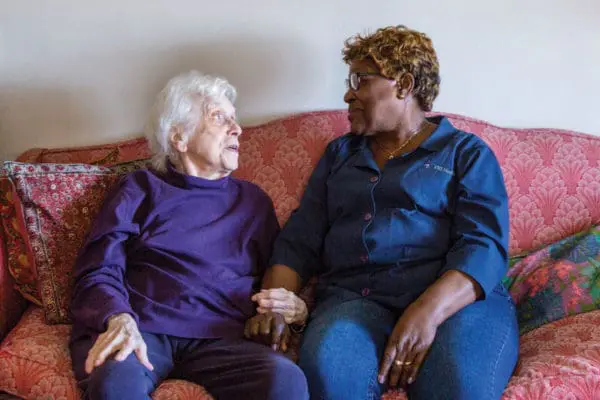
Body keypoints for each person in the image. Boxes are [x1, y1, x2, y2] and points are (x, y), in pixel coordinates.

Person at [247, 25, 519, 400]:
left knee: (457, 387)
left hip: (452, 302)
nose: (348, 93)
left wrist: (424, 313)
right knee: (329, 375)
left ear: (404, 85)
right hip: (354, 300)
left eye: (360, 80)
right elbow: (299, 240)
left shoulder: (464, 154)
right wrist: (274, 307)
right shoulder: (340, 155)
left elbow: (484, 246)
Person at [69, 71, 309, 400]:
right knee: (114, 385)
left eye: (235, 119)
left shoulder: (253, 201)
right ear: (179, 137)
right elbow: (98, 267)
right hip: (145, 328)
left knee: (285, 380)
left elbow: (277, 273)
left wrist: (290, 307)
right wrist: (118, 317)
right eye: (219, 117)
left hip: (225, 337)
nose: (237, 129)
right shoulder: (140, 189)